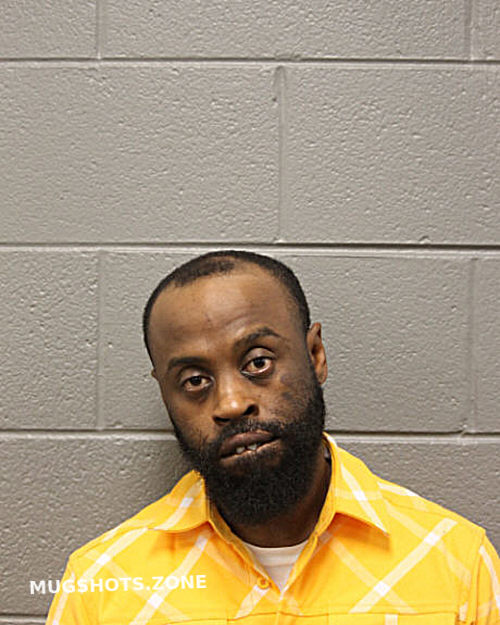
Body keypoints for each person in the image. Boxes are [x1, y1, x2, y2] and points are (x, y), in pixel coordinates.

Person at [47, 250, 499, 625]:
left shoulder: (456, 562)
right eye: (195, 380)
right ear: (165, 393)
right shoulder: (101, 584)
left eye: (258, 362)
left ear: (315, 355)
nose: (230, 403)